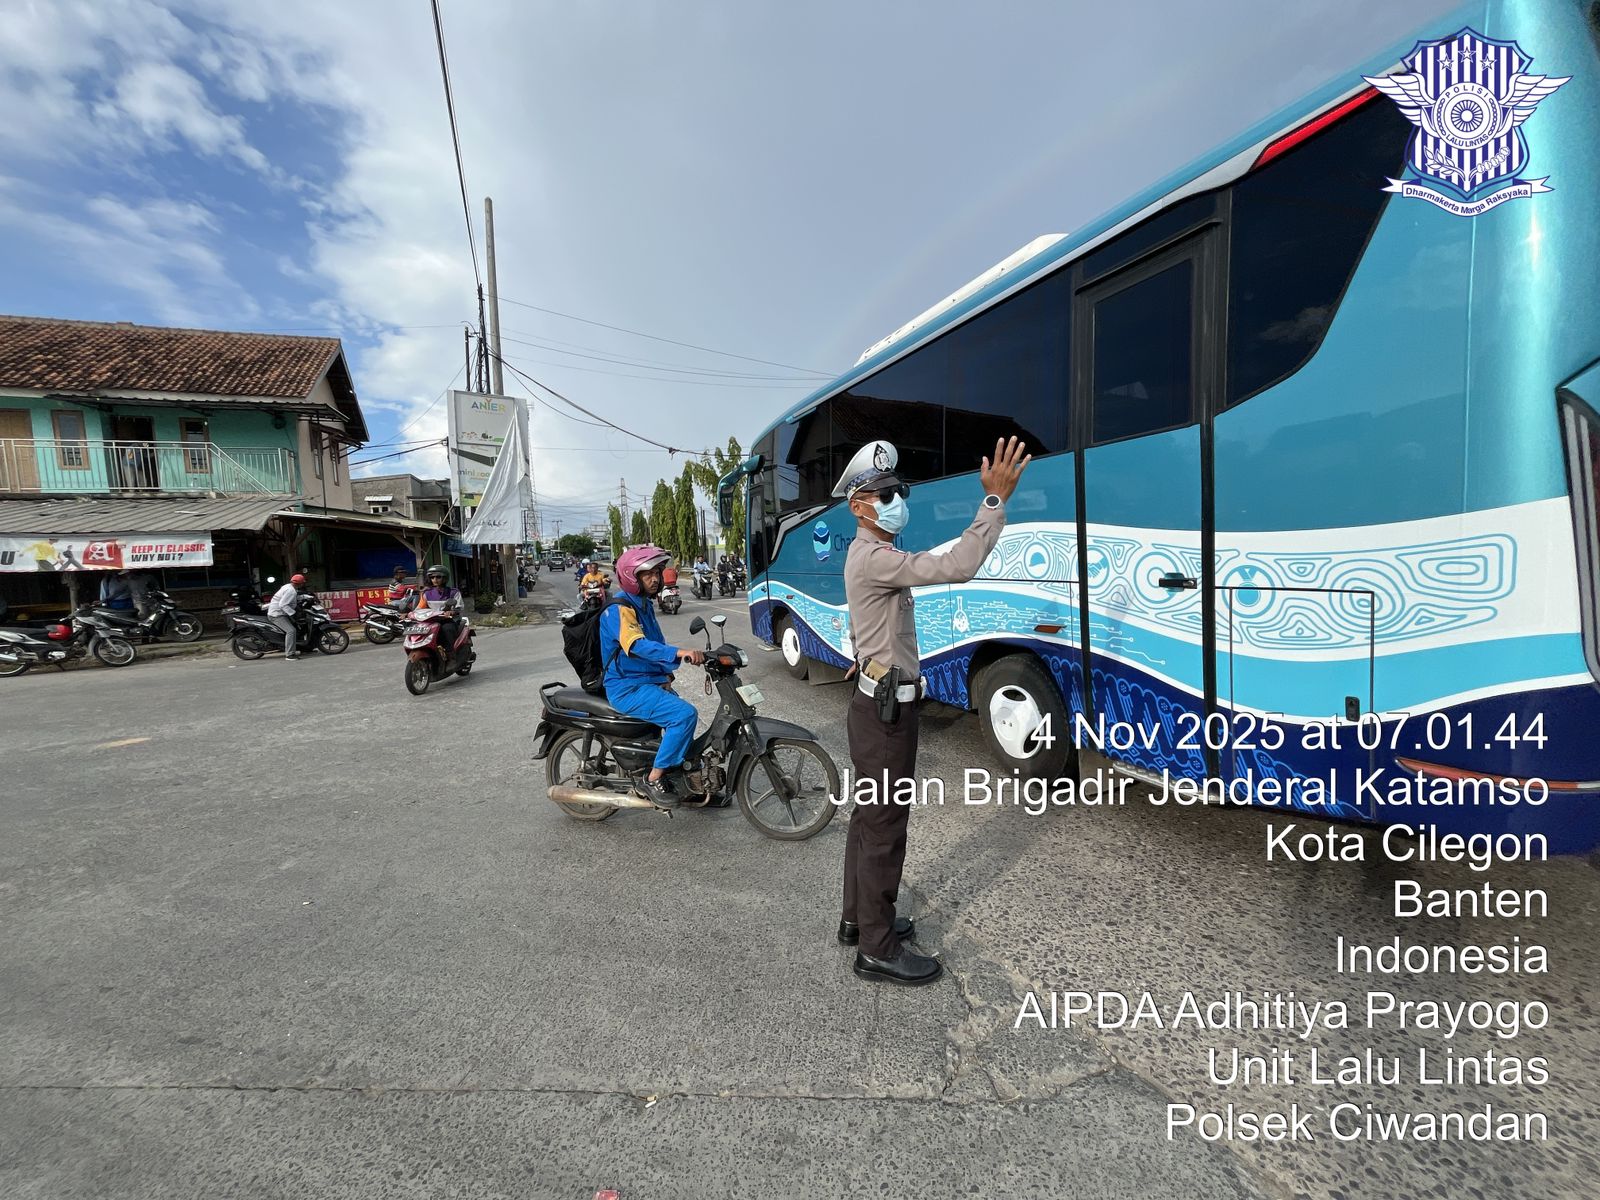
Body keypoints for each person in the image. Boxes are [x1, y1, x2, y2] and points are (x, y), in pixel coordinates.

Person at [836, 436, 1030, 986]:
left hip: (874, 703)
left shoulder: (867, 557)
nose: (897, 501)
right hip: (885, 716)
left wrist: (865, 656)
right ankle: (876, 949)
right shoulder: (876, 557)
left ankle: (859, 921)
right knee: (884, 828)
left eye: (900, 490)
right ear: (859, 507)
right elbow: (959, 564)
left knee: (868, 820)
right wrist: (993, 501)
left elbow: (870, 623)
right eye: (885, 495)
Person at [598, 545, 704, 809]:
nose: (655, 579)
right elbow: (638, 646)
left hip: (645, 682)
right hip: (627, 687)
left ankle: (681, 778)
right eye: (648, 574)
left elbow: (656, 644)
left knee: (682, 724)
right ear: (631, 577)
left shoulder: (643, 605)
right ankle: (653, 779)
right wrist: (680, 653)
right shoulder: (620, 608)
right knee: (684, 716)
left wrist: (665, 673)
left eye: (657, 573)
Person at [417, 565, 463, 648]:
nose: (435, 579)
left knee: (447, 629)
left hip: (448, 620)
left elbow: (459, 607)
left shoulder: (454, 592)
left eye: (438, 577)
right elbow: (419, 608)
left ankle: (450, 652)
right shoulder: (427, 593)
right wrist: (408, 614)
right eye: (432, 577)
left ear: (445, 578)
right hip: (431, 621)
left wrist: (452, 611)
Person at [267, 573, 309, 660]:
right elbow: (283, 604)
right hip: (277, 615)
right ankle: (289, 654)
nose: (303, 584)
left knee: (299, 627)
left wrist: (306, 597)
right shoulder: (291, 591)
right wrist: (293, 613)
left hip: (281, 613)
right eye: (302, 583)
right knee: (291, 631)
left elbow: (293, 598)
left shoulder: (288, 587)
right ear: (299, 583)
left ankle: (303, 648)